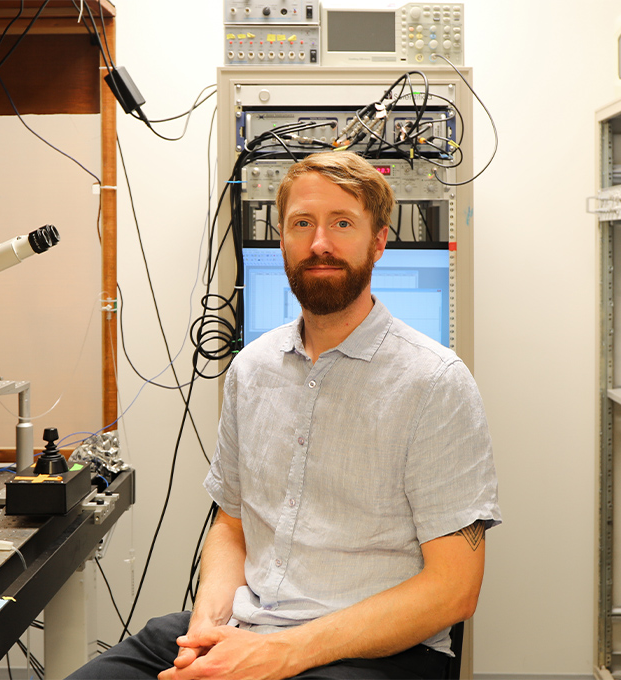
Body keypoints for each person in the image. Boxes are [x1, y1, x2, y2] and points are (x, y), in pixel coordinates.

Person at [67, 151, 501, 680]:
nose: (320, 243)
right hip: (248, 627)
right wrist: (207, 626)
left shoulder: (434, 383)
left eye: (342, 223)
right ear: (282, 239)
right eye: (303, 224)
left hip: (371, 653)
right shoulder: (252, 369)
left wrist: (282, 653)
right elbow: (231, 524)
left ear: (379, 241)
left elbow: (455, 589)